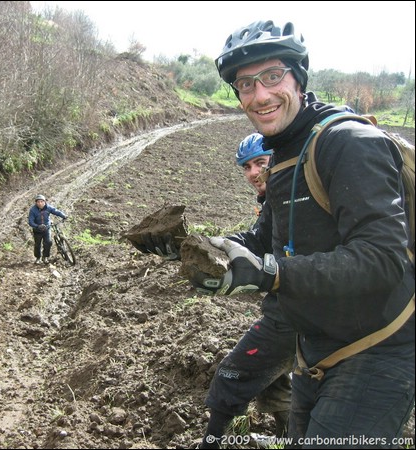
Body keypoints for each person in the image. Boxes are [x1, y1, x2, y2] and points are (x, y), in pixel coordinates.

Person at [138, 20, 414, 448]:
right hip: (314, 348)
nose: (260, 95)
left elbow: (382, 260)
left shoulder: (348, 143)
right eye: (245, 84)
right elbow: (261, 242)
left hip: (377, 351)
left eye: (272, 76)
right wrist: (190, 248)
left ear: (298, 78)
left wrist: (270, 274)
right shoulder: (286, 154)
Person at [199, 133, 295, 448]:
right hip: (295, 307)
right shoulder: (278, 198)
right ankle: (286, 438)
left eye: (260, 162)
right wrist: (219, 244)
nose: (253, 173)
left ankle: (210, 445)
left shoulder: (293, 199)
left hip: (298, 310)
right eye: (246, 166)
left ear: (277, 158)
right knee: (273, 374)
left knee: (232, 375)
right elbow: (259, 239)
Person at [28, 194, 68, 264]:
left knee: (48, 242)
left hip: (47, 228)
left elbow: (56, 211)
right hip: (37, 230)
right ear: (36, 203)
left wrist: (63, 215)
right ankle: (38, 258)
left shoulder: (48, 207)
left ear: (45, 202)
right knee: (37, 244)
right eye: (38, 202)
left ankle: (45, 257)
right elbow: (30, 221)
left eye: (41, 201)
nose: (40, 203)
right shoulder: (33, 210)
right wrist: (37, 226)